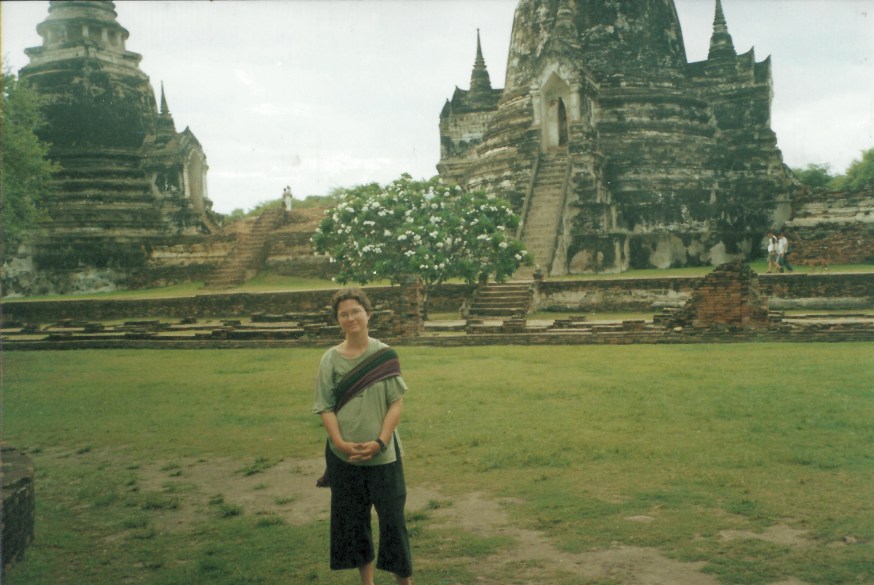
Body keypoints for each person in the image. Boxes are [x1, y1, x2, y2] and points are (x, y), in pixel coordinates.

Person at [312, 287, 413, 585]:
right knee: (354, 524)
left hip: (384, 455)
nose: (350, 317)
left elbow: (396, 402)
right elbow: (325, 407)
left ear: (368, 314)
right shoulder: (329, 359)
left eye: (355, 311)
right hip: (344, 458)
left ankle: (403, 582)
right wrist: (340, 443)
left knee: (393, 522)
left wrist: (381, 441)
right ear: (337, 321)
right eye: (343, 314)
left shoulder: (384, 354)